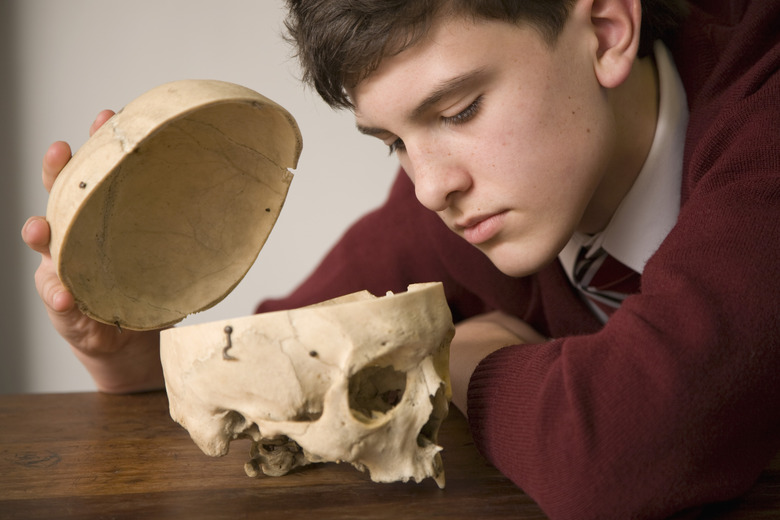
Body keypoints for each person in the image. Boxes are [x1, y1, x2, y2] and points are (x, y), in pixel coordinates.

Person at [21, 0, 780, 518]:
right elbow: (291, 353)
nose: (428, 187)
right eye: (393, 142)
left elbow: (617, 453)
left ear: (607, 29)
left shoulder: (763, 121)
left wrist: (468, 358)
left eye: (457, 112)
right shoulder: (472, 203)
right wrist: (135, 358)